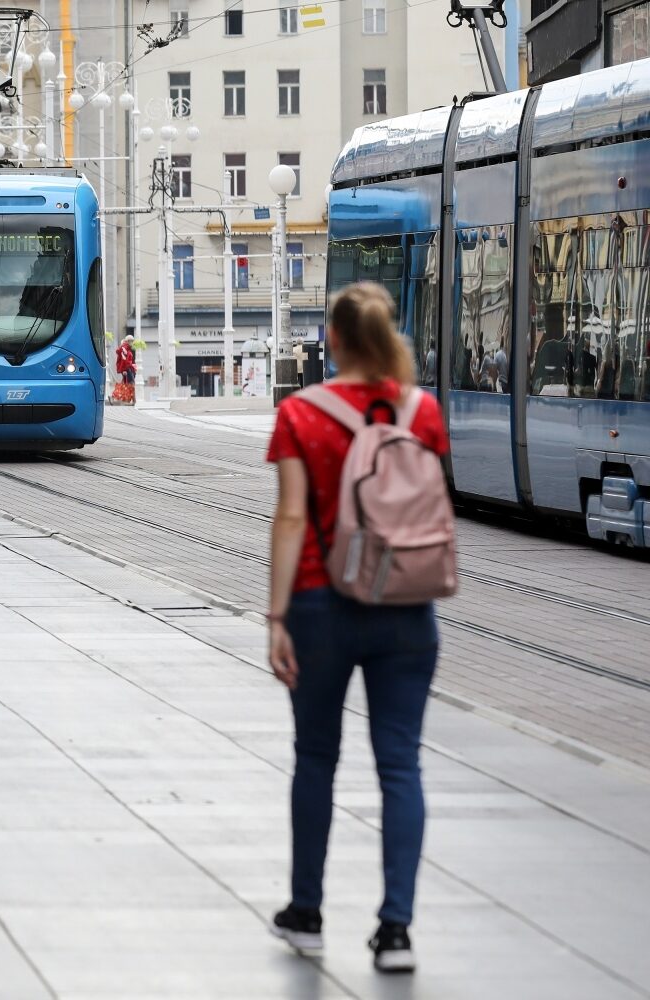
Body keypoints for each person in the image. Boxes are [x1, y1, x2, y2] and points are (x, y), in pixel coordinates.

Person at [265, 282, 448, 974]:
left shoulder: (299, 413)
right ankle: (396, 930)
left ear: (334, 339)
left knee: (316, 757)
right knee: (401, 764)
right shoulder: (421, 410)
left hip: (320, 603)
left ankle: (307, 913)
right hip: (406, 604)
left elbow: (290, 518)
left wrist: (276, 616)